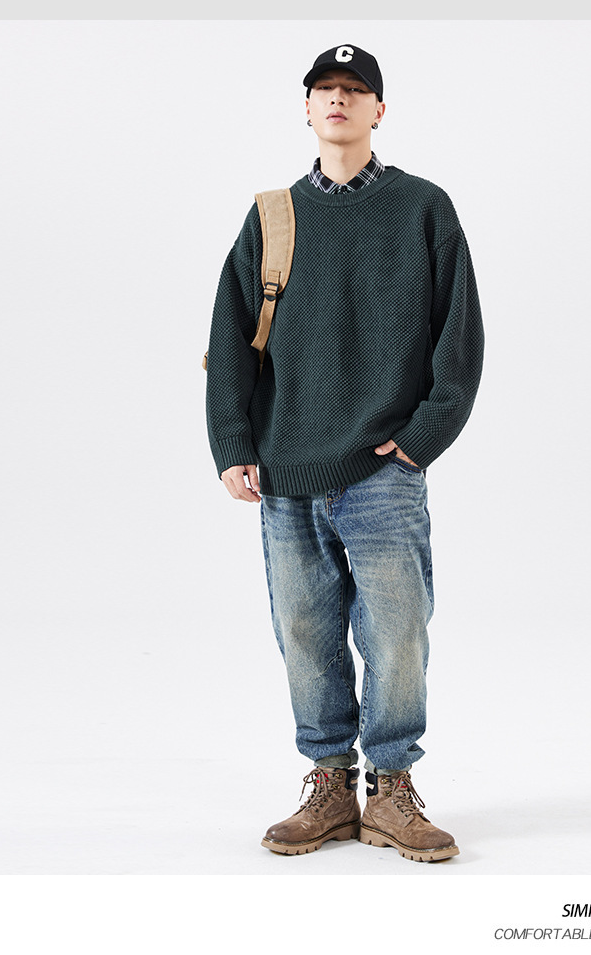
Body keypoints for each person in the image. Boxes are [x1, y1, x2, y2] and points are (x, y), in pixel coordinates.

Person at [205, 43, 484, 862]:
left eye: (354, 90)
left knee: (397, 635)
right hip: (285, 467)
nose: (338, 99)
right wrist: (233, 443)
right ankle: (330, 784)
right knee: (304, 631)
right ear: (306, 108)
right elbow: (231, 341)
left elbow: (459, 337)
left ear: (378, 111)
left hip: (383, 469)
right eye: (324, 88)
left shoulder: (424, 208)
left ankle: (391, 790)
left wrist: (422, 439)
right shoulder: (272, 217)